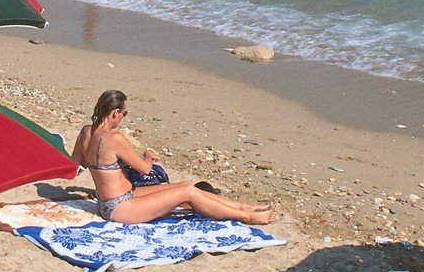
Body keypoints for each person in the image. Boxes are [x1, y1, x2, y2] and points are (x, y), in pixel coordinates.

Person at [70, 91, 274, 225]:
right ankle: (246, 216)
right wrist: (148, 156)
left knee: (185, 185)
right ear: (115, 112)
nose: (124, 117)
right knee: (186, 191)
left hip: (114, 200)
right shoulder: (115, 138)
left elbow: (75, 166)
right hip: (120, 208)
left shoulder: (85, 132)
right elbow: (145, 170)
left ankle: (244, 206)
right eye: (125, 113)